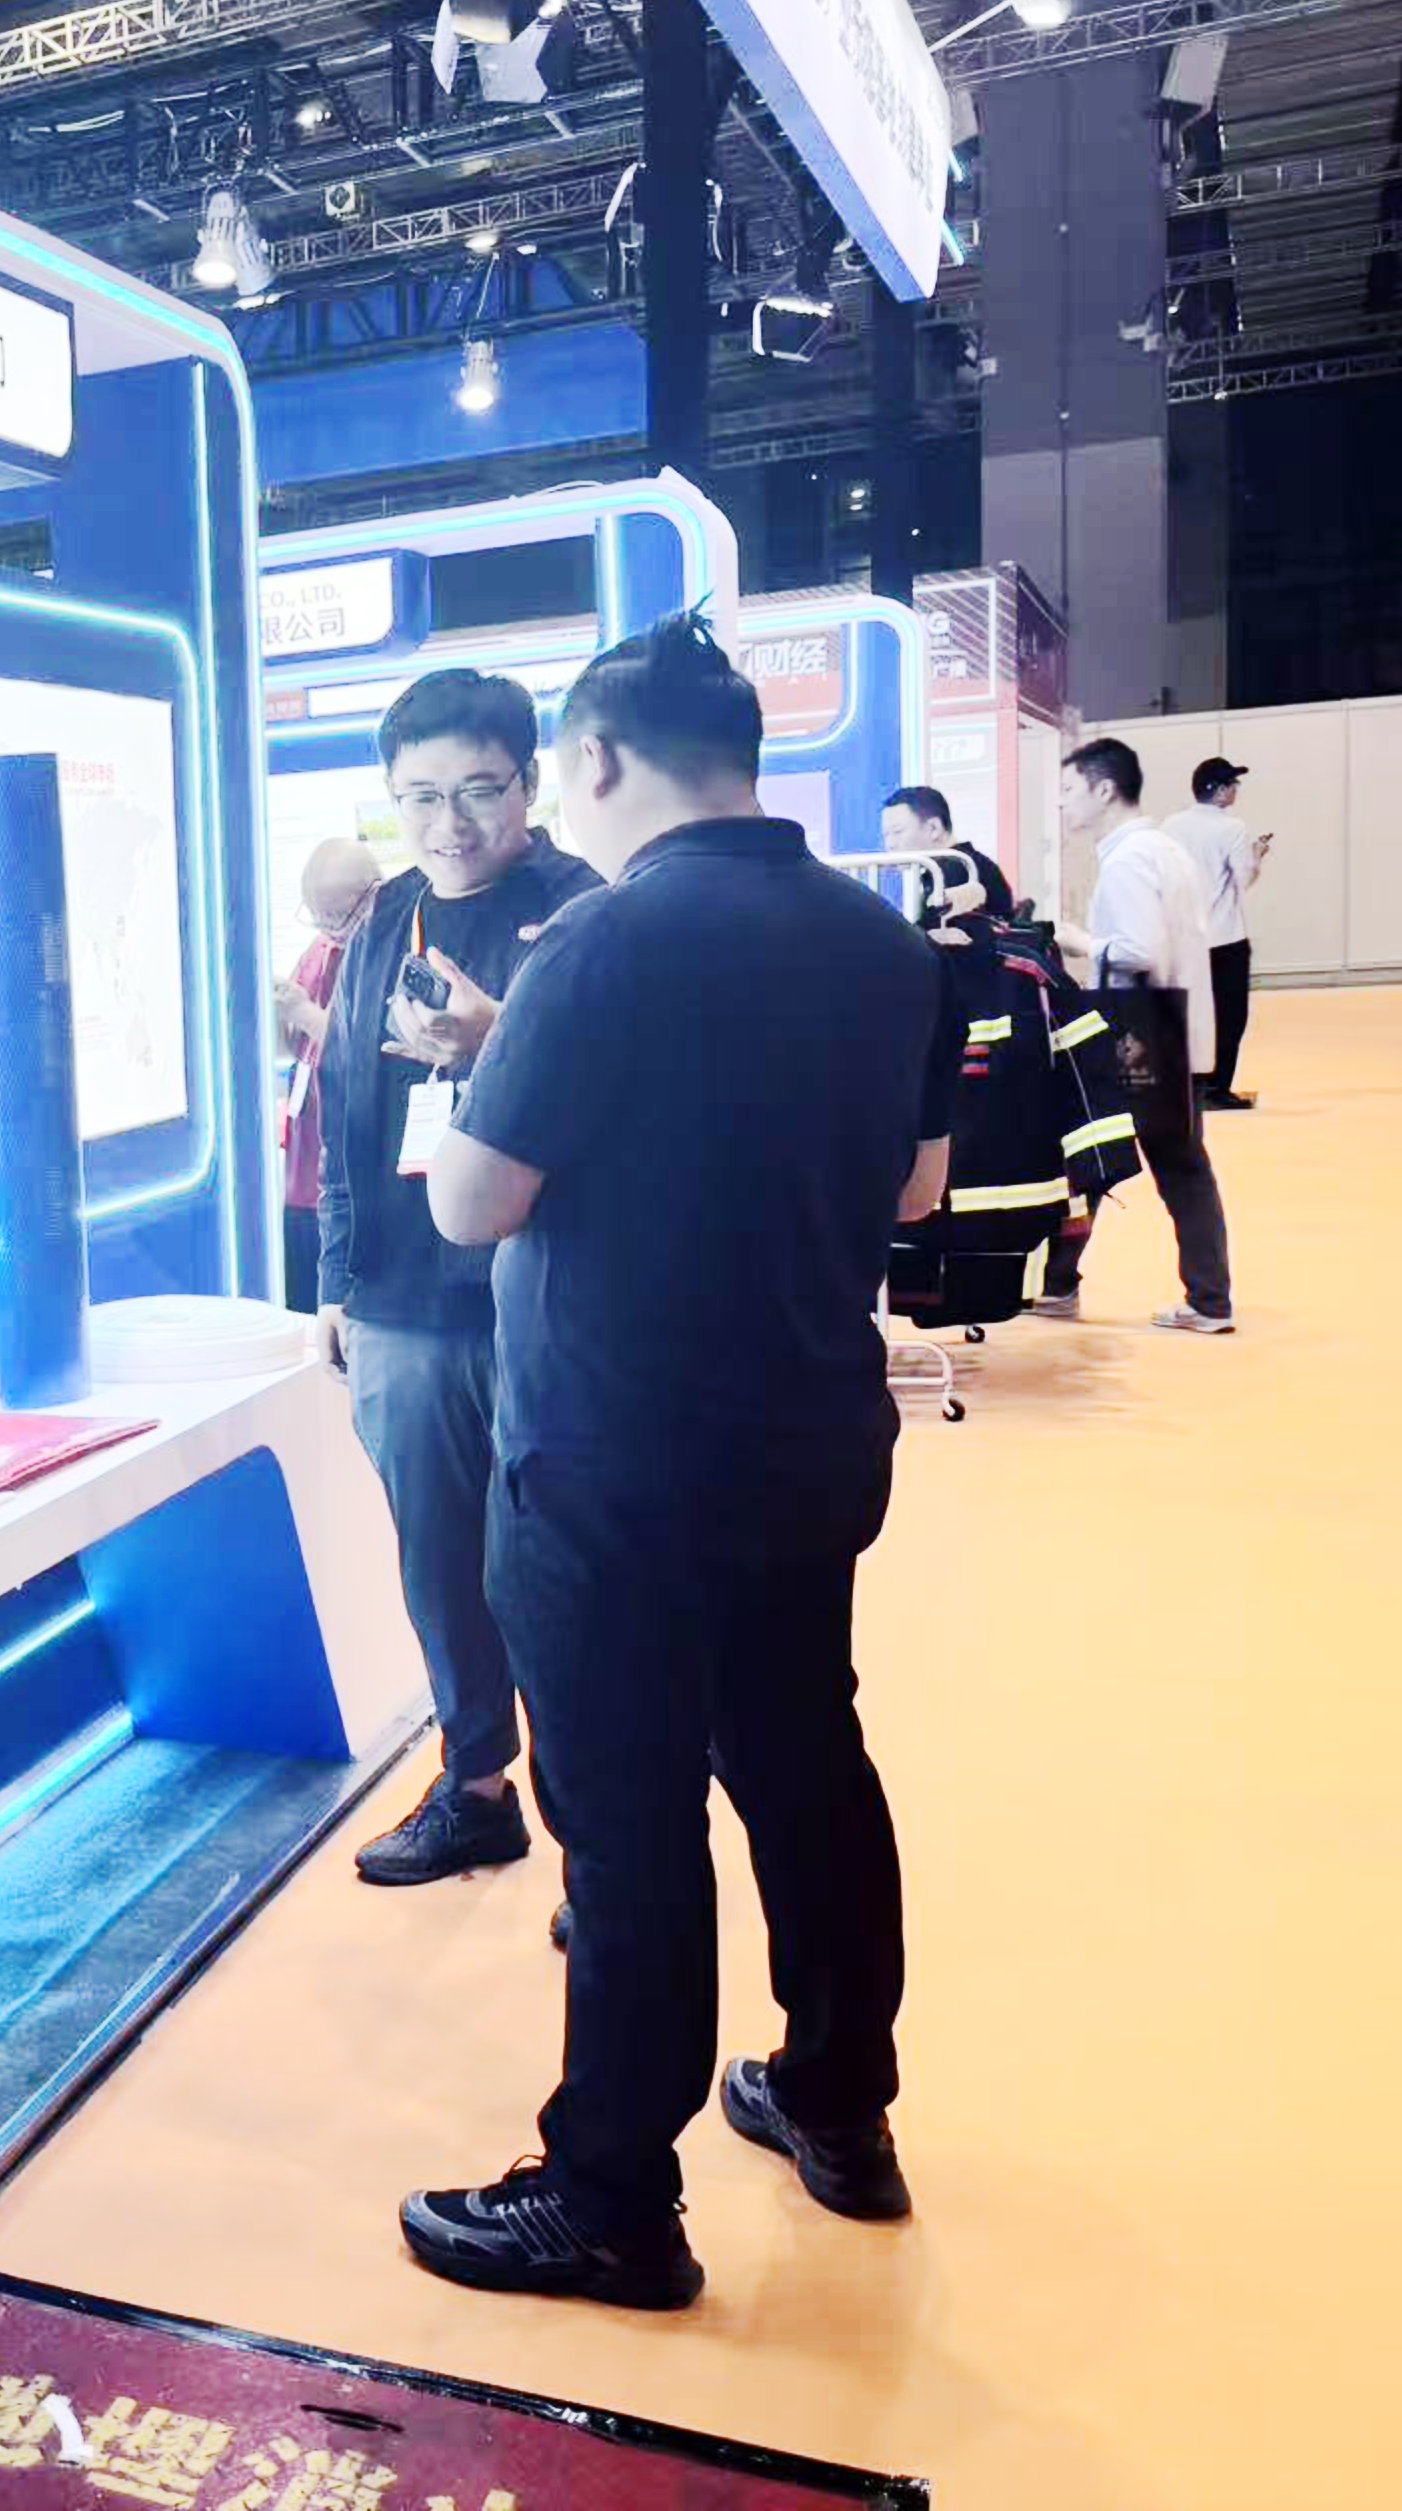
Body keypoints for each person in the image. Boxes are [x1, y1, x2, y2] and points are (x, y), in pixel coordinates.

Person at [394, 612, 952, 2312]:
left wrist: (498, 1081)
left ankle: (610, 2197)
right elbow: (917, 1190)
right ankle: (837, 2107)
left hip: (610, 1466)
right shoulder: (882, 946)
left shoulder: (599, 945)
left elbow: (469, 1203)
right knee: (804, 1765)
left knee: (627, 1823)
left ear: (592, 759)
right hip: (806, 1439)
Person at [315, 670, 598, 1887]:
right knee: (438, 1561)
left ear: (529, 784)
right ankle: (475, 1786)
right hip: (402, 1301)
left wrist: (498, 1042)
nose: (450, 823)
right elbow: (345, 1105)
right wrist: (336, 1277)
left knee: (564, 1580)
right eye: (419, 796)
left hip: (546, 1302)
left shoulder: (586, 913)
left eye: (479, 789)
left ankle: (604, 1849)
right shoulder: (386, 918)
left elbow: (625, 1111)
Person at [1040, 740, 1236, 1335]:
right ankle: (1208, 1297)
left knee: (1093, 1154)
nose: (1062, 803)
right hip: (1173, 1028)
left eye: (1069, 789)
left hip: (1141, 1031)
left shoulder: (1129, 860)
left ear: (1104, 790)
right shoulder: (1163, 850)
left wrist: (1079, 941)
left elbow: (1137, 951)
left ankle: (1059, 1285)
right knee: (1180, 1165)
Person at [277, 838, 381, 1314]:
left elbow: (369, 1052)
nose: (326, 928)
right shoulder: (319, 949)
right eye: (316, 916)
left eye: (336, 916)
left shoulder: (391, 950)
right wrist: (279, 1012)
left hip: (352, 1182)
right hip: (301, 1176)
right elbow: (294, 1048)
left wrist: (304, 1012)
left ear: (373, 895)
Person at [1166, 756, 1272, 1111]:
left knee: (1189, 1014)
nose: (1236, 789)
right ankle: (1217, 1088)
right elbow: (1243, 879)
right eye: (1233, 784)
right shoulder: (1232, 829)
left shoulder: (1170, 826)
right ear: (1221, 791)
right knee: (1229, 1015)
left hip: (1183, 939)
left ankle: (1188, 1086)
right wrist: (1256, 855)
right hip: (1225, 939)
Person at [879, 784, 1015, 929]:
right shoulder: (964, 863)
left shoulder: (957, 869)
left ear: (934, 828)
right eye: (886, 834)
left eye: (898, 832)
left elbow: (927, 933)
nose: (890, 844)